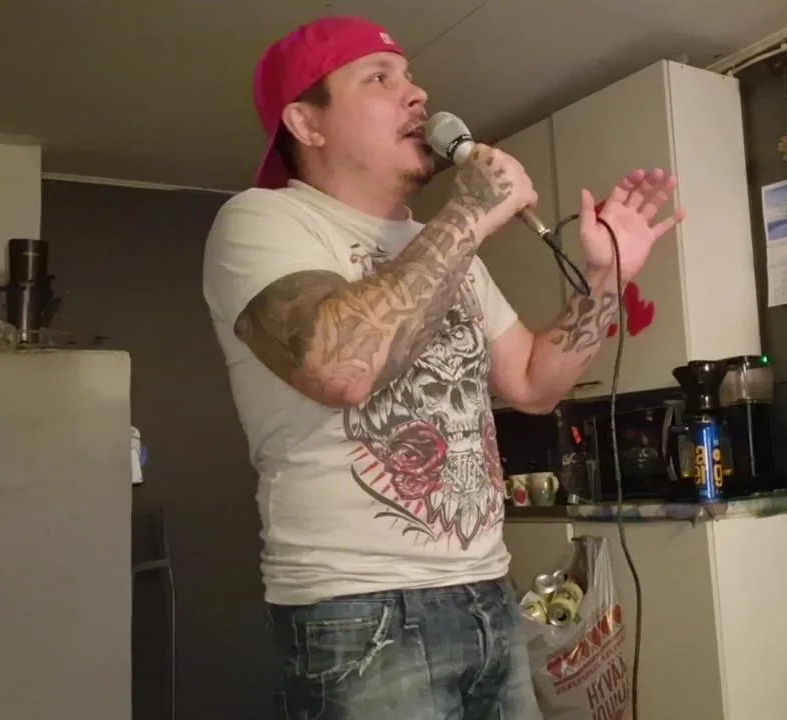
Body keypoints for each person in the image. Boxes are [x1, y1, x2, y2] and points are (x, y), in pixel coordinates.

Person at [201, 15, 684, 720]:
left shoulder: (445, 246)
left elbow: (534, 384)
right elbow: (340, 367)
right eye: (379, 78)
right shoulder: (263, 222)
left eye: (411, 76)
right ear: (306, 123)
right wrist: (469, 216)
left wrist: (608, 276)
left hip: (488, 590)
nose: (418, 94)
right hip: (358, 610)